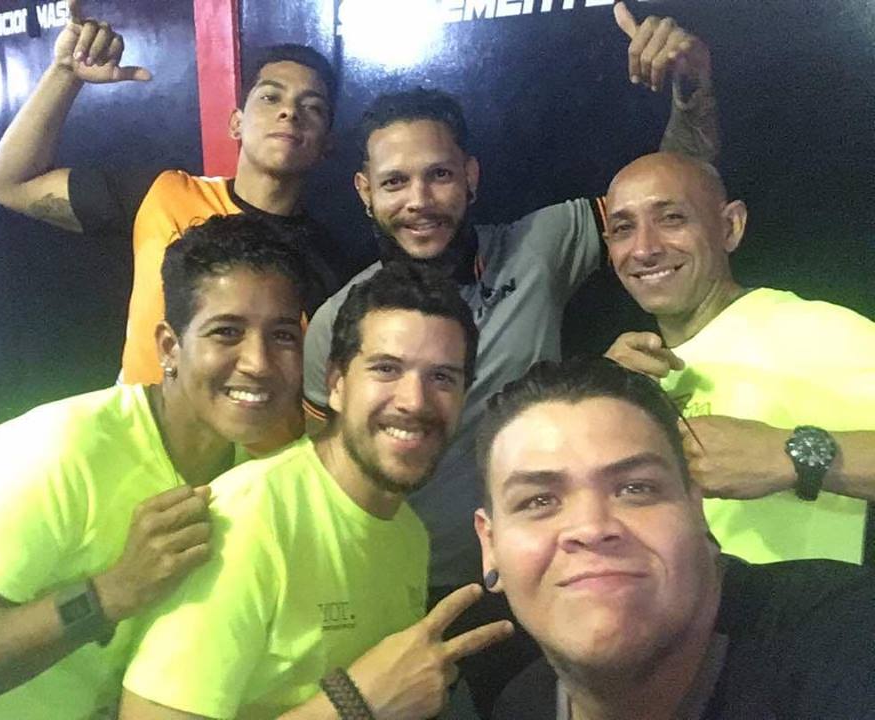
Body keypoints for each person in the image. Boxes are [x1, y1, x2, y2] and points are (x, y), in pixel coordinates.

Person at [302, 4, 720, 712]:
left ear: (470, 176)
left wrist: (691, 93)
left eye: (439, 175)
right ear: (365, 192)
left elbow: (671, 198)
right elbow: (321, 473)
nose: (419, 200)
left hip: (538, 571)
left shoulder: (540, 244)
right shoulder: (336, 322)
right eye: (395, 182)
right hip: (393, 596)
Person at [0, 214, 310, 718]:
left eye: (282, 336)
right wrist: (107, 594)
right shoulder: (59, 450)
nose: (259, 362)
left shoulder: (246, 473)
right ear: (169, 347)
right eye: (227, 332)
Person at [117, 262, 512, 719]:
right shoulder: (249, 520)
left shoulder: (409, 535)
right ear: (336, 385)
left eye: (442, 377)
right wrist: (356, 705)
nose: (414, 401)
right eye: (386, 369)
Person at [475, 357, 875, 719]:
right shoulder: (522, 705)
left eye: (635, 489)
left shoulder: (841, 635)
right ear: (490, 545)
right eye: (539, 501)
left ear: (696, 509)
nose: (591, 528)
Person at [0, 0, 340, 397]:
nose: (290, 112)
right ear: (236, 123)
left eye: (312, 107)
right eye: (271, 97)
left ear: (327, 143)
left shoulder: (330, 264)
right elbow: (12, 182)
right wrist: (64, 73)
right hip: (138, 424)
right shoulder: (162, 194)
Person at [603, 151, 875, 564]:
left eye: (672, 218)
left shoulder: (811, 331)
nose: (644, 248)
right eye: (624, 228)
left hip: (796, 605)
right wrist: (600, 398)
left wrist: (785, 455)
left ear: (730, 227)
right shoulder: (627, 374)